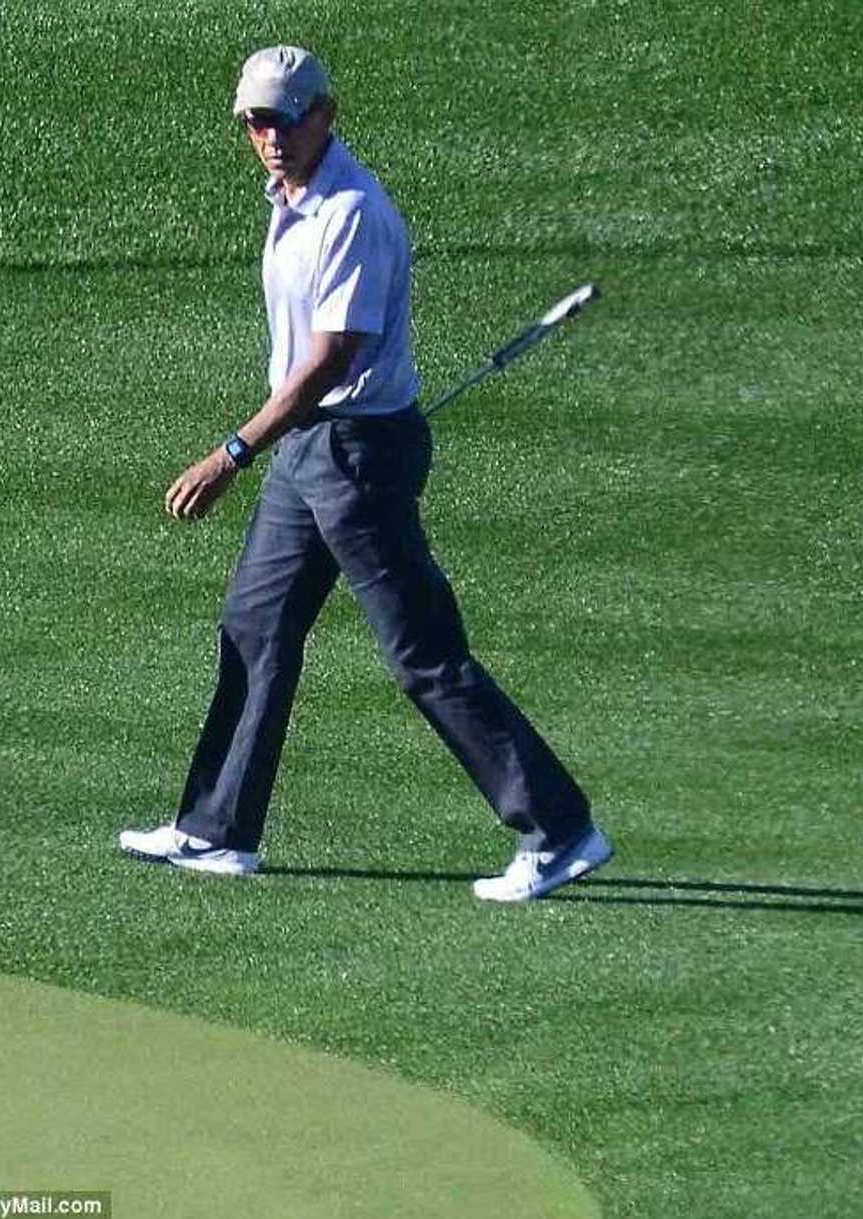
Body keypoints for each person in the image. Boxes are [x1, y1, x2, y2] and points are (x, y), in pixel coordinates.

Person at [120, 46, 613, 901]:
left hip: (355, 453)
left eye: (286, 117)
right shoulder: (293, 202)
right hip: (313, 449)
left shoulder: (351, 210)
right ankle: (217, 828)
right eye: (256, 121)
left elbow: (327, 360)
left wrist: (231, 453)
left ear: (326, 113)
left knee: (420, 650)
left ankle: (560, 830)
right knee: (254, 623)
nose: (270, 136)